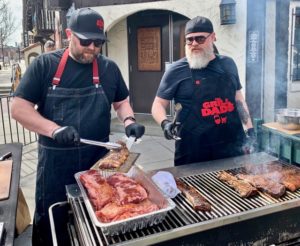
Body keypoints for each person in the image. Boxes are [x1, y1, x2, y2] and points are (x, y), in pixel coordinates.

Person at [11, 7, 145, 246]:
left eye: (98, 42)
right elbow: (18, 108)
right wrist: (54, 129)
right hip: (56, 167)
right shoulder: (44, 66)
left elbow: (122, 101)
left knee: (98, 220)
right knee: (54, 224)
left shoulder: (108, 68)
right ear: (68, 33)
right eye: (85, 41)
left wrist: (129, 121)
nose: (92, 48)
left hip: (97, 164)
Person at [151, 16, 256, 166]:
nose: (194, 44)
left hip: (231, 145)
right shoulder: (176, 70)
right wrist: (165, 123)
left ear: (213, 37)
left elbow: (238, 98)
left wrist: (249, 130)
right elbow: (158, 104)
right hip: (193, 149)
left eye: (200, 39)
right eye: (189, 40)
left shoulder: (228, 64)